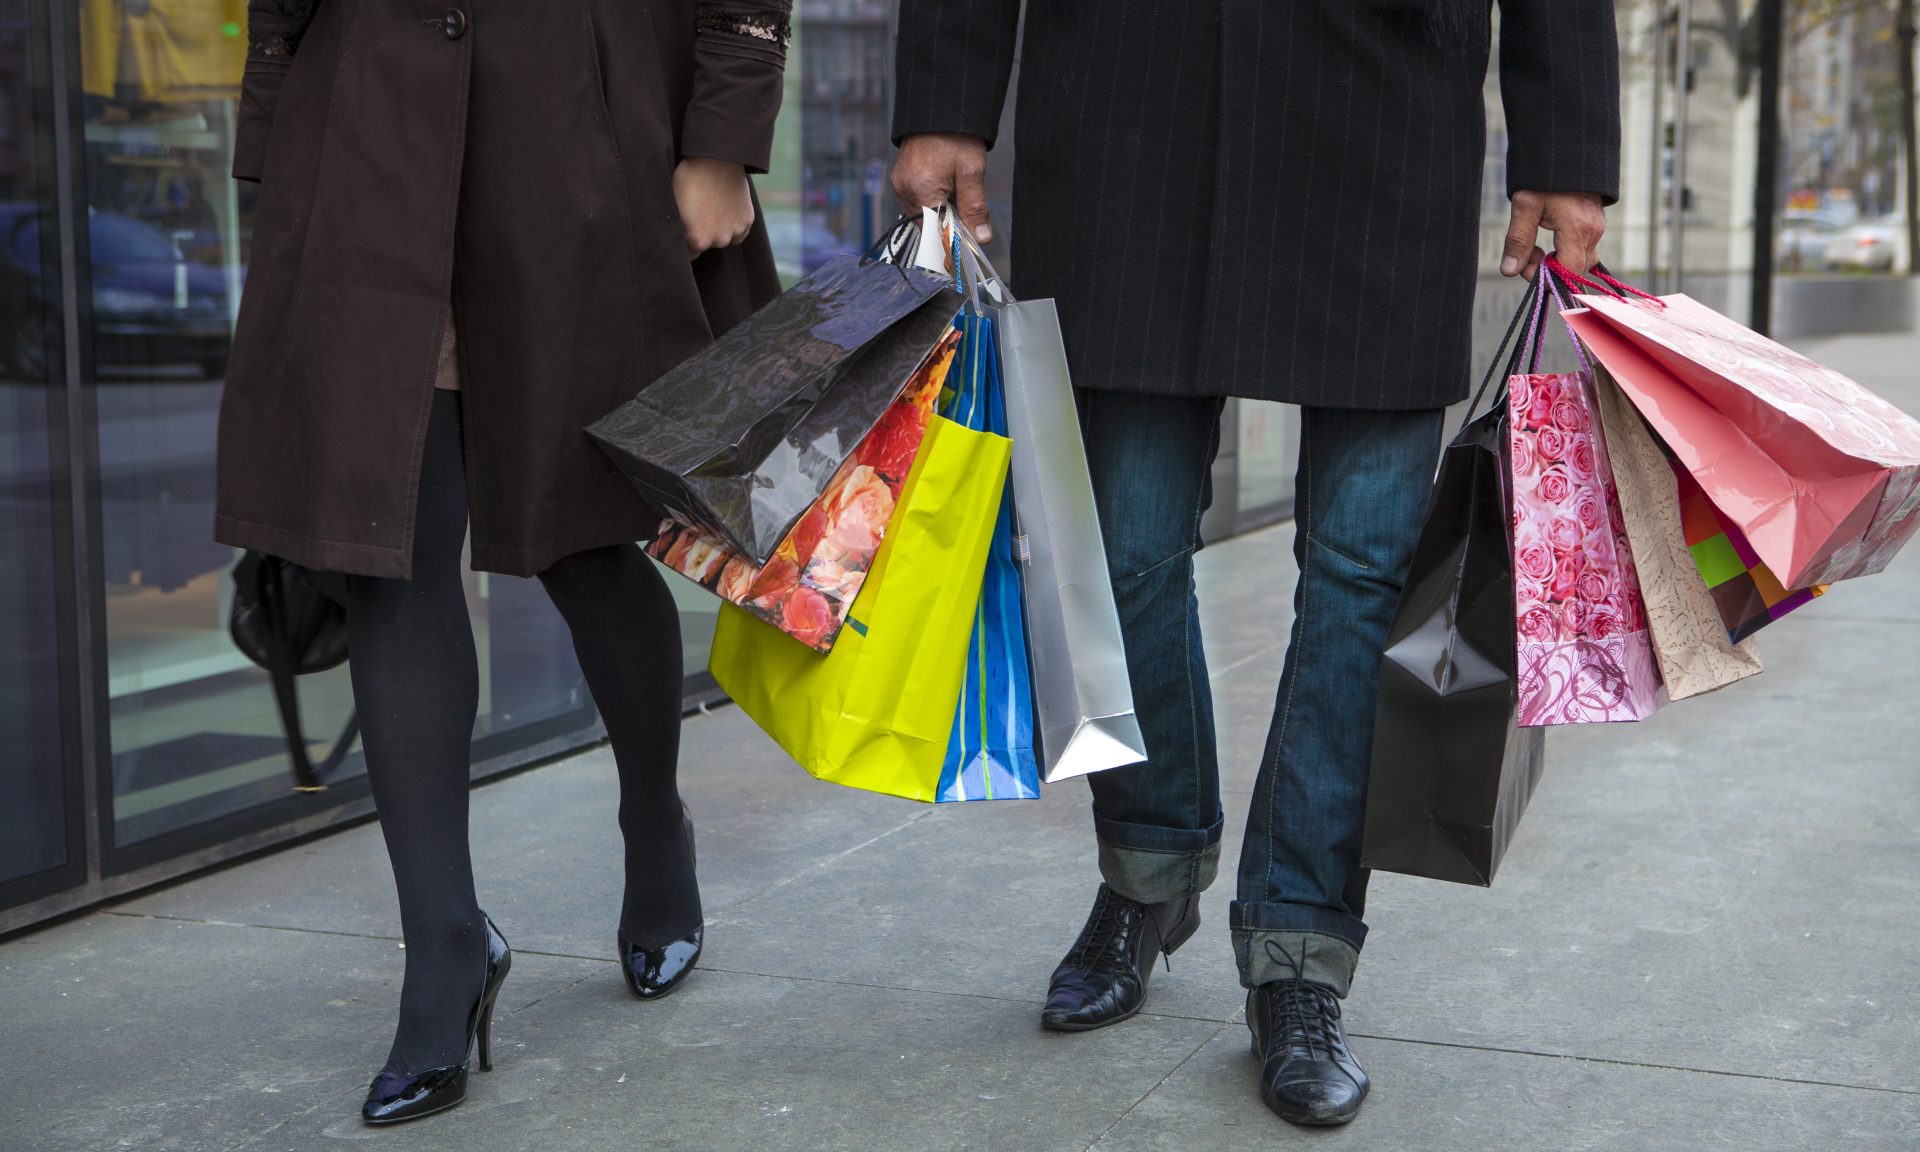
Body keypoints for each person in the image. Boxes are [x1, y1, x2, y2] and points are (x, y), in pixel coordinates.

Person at [892, 0, 1618, 1128]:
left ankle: (1300, 949)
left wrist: (1565, 142)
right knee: (1123, 548)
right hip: (1134, 103)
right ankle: (1150, 869)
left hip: (1380, 104)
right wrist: (947, 98)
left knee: (1363, 576)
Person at [216, 0, 792, 1126]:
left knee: (581, 540)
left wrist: (721, 131)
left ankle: (653, 828)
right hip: (372, 123)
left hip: (577, 125)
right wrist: (276, 133)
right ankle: (443, 954)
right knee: (393, 550)